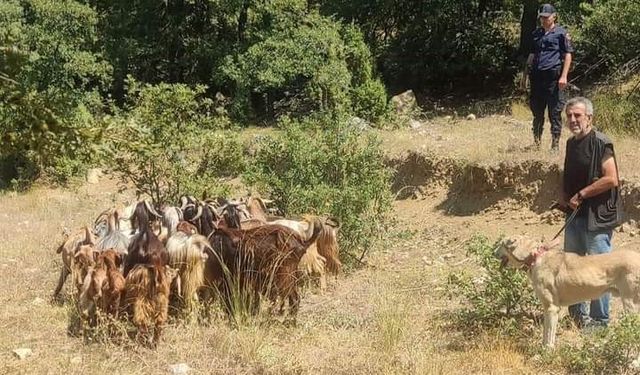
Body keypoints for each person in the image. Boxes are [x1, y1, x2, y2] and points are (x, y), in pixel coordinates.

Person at [561, 96, 623, 329]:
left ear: (589, 117)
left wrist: (583, 193)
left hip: (598, 217)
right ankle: (576, 316)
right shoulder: (571, 143)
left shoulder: (601, 142)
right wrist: (564, 197)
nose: (573, 120)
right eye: (569, 116)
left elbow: (611, 178)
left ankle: (599, 322)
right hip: (575, 215)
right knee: (572, 267)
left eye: (577, 115)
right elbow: (568, 174)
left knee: (599, 272)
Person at [527, 3, 574, 151]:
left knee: (554, 113)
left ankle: (554, 145)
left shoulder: (561, 33)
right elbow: (532, 55)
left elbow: (568, 55)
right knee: (537, 112)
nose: (544, 20)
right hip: (536, 78)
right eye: (542, 17)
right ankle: (536, 142)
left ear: (554, 16)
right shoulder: (536, 34)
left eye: (546, 17)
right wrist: (525, 75)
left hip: (553, 79)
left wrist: (564, 76)